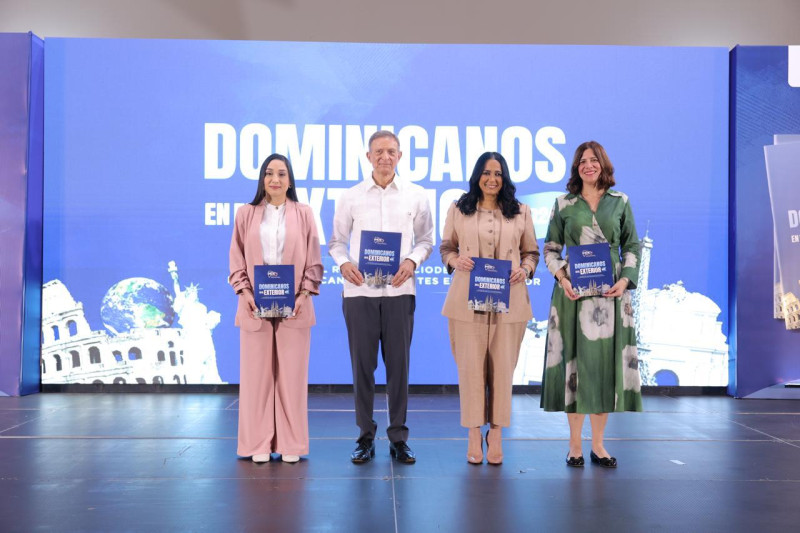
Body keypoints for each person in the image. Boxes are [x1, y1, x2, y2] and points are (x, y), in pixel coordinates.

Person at [329, 130, 434, 464]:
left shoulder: (416, 196)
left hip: (399, 292)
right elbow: (336, 242)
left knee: (399, 369)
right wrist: (344, 264)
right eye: (379, 152)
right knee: (362, 368)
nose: (385, 157)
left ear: (400, 156)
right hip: (359, 292)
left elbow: (426, 240)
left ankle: (398, 438)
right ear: (368, 156)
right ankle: (365, 437)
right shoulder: (350, 197)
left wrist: (411, 261)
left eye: (391, 151)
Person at [540, 140, 642, 468]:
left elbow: (632, 245)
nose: (588, 165)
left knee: (603, 368)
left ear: (603, 164)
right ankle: (574, 445)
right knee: (575, 366)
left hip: (611, 295)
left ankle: (598, 445)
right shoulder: (563, 203)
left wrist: (625, 281)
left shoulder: (620, 201)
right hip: (573, 296)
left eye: (594, 160)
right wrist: (563, 279)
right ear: (576, 167)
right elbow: (550, 248)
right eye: (582, 161)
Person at [440, 152, 540, 465]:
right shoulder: (458, 208)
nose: (492, 179)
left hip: (510, 304)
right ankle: (473, 432)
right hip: (465, 304)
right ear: (477, 176)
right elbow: (446, 248)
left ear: (504, 177)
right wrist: (455, 260)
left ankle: (496, 434)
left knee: (502, 372)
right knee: (470, 371)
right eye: (486, 172)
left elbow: (532, 252)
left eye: (498, 173)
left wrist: (525, 269)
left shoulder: (521, 211)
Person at [229, 154, 323, 464]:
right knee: (256, 379)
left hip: (294, 306)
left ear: (290, 180)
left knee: (292, 378)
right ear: (262, 179)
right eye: (269, 173)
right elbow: (236, 259)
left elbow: (314, 261)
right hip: (254, 306)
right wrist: (245, 292)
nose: (275, 179)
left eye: (282, 174)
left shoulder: (304, 213)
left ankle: (290, 443)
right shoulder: (246, 214)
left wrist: (304, 294)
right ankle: (257, 442)